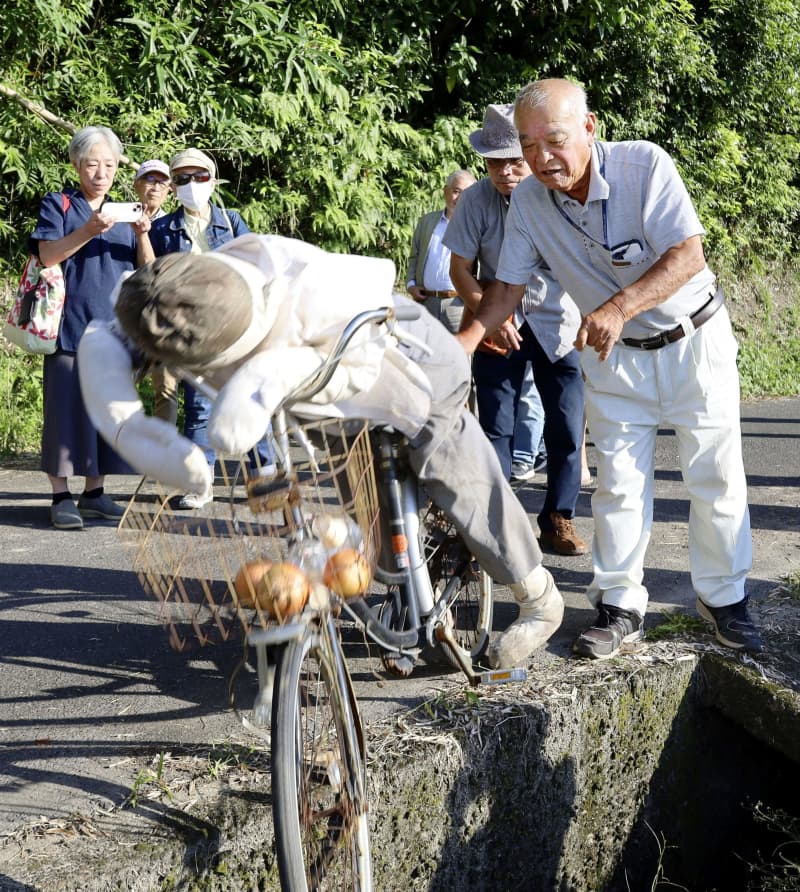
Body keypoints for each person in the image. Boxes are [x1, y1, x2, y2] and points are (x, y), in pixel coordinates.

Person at [78, 233, 564, 669]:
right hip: (328, 412)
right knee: (366, 514)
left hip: (409, 372)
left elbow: (352, 354)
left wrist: (270, 377)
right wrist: (130, 428)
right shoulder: (172, 293)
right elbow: (115, 336)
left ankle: (537, 594)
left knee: (457, 474)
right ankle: (403, 578)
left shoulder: (316, 289)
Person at [458, 77, 760, 657]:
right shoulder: (526, 202)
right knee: (618, 483)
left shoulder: (644, 166)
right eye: (528, 144)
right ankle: (620, 603)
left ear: (590, 129)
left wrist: (619, 306)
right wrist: (465, 342)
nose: (542, 158)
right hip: (614, 356)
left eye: (555, 140)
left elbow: (687, 255)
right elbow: (506, 288)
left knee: (714, 477)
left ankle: (723, 599)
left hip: (693, 339)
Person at [444, 102, 588, 556]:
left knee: (566, 426)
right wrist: (491, 315)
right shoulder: (474, 200)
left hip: (557, 322)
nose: (505, 170)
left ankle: (558, 518)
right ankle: (496, 523)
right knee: (495, 430)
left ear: (531, 154)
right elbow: (460, 270)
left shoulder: (560, 192)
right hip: (494, 322)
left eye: (514, 160)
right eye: (495, 161)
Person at [28, 125, 150, 531]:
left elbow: (149, 274)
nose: (101, 172)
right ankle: (61, 495)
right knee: (63, 414)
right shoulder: (59, 205)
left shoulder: (124, 212)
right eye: (92, 163)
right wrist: (88, 230)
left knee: (107, 415)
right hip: (67, 330)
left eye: (110, 164)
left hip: (114, 333)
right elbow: (47, 255)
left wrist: (142, 234)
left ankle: (94, 493)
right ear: (77, 165)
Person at [139, 147, 274, 508]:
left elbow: (257, 266)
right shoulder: (164, 228)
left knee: (249, 399)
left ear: (212, 181)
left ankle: (265, 477)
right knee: (198, 405)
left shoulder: (231, 221)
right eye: (182, 179)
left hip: (237, 326)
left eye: (199, 177)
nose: (191, 184)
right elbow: (152, 276)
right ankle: (201, 484)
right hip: (191, 330)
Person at [132, 159, 177, 424]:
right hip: (125, 314)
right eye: (149, 179)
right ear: (137, 184)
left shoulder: (174, 225)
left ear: (170, 188)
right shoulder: (117, 217)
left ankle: (162, 452)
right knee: (122, 384)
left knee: (165, 387)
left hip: (162, 316)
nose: (155, 186)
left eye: (162, 181)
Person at [406, 169, 476, 334]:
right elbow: (414, 256)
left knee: (457, 355)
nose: (460, 198)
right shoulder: (427, 222)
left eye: (466, 193)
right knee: (424, 353)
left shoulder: (477, 226)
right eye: (456, 191)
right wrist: (410, 284)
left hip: (458, 305)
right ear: (446, 192)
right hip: (426, 302)